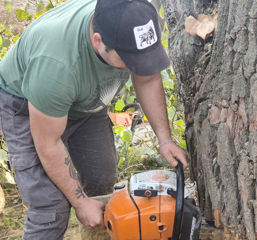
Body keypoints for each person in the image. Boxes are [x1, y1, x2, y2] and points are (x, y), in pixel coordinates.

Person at [0, 0, 188, 239]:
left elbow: (147, 79)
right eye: (130, 60)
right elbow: (48, 143)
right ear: (98, 41)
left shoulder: (131, 20)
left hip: (84, 100)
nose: (138, 66)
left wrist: (165, 140)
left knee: (101, 177)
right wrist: (79, 203)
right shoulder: (56, 65)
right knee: (51, 207)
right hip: (26, 105)